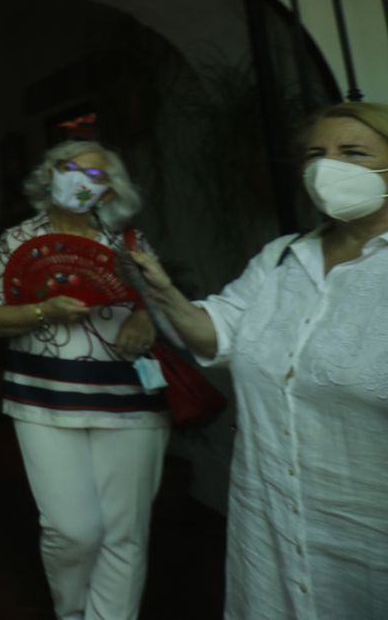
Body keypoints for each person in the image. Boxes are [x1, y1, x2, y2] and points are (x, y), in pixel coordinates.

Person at [130, 101, 388, 620]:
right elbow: (218, 333)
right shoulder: (281, 259)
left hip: (367, 541)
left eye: (352, 152)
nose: (326, 166)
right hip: (271, 526)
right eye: (315, 153)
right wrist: (164, 292)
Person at [0, 140, 165, 620]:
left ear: (108, 192)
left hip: (130, 402)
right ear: (50, 173)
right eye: (69, 167)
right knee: (71, 529)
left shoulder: (129, 243)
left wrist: (147, 320)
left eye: (94, 175)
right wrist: (43, 310)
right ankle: (72, 612)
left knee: (125, 533)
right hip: (42, 399)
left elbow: (165, 307)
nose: (79, 179)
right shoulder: (19, 239)